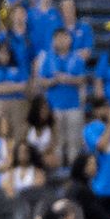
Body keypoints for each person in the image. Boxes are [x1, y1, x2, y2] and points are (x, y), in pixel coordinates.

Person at [37, 27, 88, 168]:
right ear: (54, 40)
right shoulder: (47, 58)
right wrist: (54, 80)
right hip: (54, 107)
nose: (61, 40)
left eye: (64, 37)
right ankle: (57, 171)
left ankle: (74, 171)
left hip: (74, 106)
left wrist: (66, 79)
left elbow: (83, 79)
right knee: (56, 143)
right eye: (58, 38)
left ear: (70, 40)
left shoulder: (77, 58)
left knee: (74, 143)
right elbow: (42, 81)